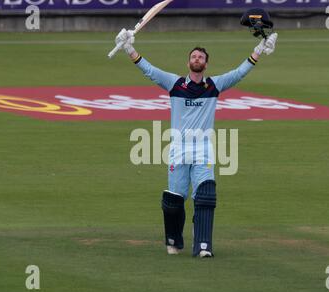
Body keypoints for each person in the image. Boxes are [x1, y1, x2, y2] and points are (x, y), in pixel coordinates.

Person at [114, 28, 278, 258]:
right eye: (193, 56)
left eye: (201, 57)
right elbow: (149, 71)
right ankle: (174, 240)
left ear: (206, 64)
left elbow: (239, 73)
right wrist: (129, 47)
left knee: (206, 196)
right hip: (178, 149)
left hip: (203, 149)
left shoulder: (214, 85)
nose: (197, 59)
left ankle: (203, 246)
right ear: (188, 62)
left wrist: (259, 49)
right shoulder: (174, 84)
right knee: (174, 201)